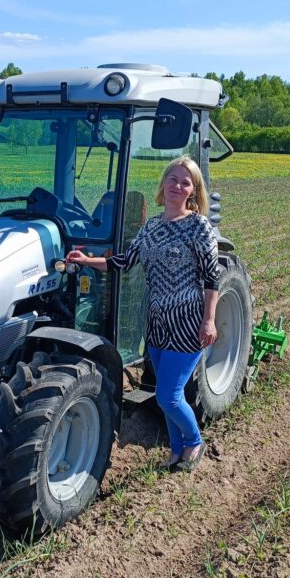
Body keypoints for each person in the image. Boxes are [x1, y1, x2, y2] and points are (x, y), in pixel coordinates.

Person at [65, 154, 220, 472]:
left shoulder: (197, 225)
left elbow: (211, 277)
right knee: (165, 394)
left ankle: (193, 442)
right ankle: (177, 453)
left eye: (185, 182)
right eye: (173, 179)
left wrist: (209, 319)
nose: (178, 185)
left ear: (194, 190)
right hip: (158, 324)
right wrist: (85, 260)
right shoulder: (152, 226)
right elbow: (122, 261)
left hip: (187, 323)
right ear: (164, 183)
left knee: (169, 396)